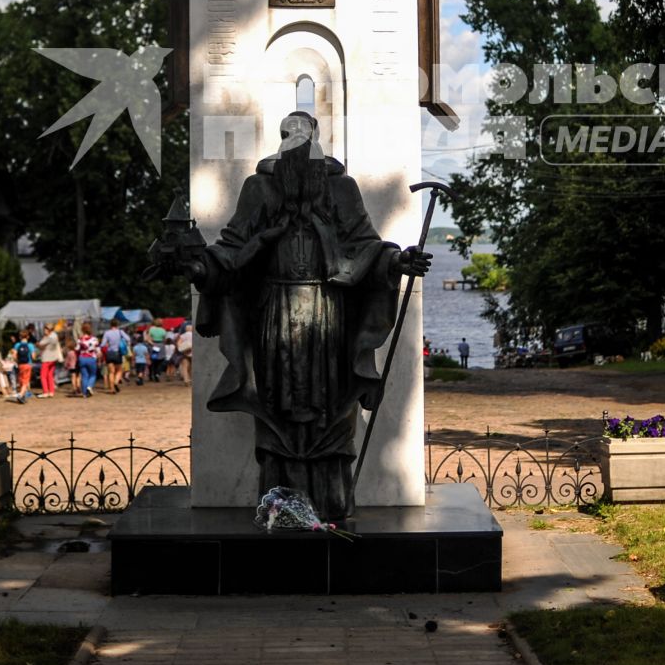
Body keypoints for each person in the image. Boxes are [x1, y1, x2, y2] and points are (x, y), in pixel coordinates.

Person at [158, 109, 430, 521]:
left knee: (331, 402)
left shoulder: (341, 189)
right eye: (290, 134)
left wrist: (396, 262)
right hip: (275, 316)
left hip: (329, 316)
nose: (299, 143)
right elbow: (232, 246)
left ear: (318, 138)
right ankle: (279, 506)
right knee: (277, 404)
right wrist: (200, 268)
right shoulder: (259, 189)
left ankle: (332, 502)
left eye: (305, 134)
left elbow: (365, 244)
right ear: (280, 138)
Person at [38, 320, 63, 398]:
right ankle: (51, 392)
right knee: (50, 375)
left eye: (45, 329)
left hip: (46, 358)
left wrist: (39, 342)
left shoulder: (48, 337)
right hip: (53, 358)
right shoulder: (55, 335)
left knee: (43, 376)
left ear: (49, 330)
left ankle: (45, 392)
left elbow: (40, 344)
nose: (44, 331)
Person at [100, 321, 127, 393]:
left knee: (111, 372)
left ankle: (112, 389)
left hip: (109, 353)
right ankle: (116, 382)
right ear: (117, 324)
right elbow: (128, 339)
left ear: (110, 325)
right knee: (119, 370)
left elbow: (102, 344)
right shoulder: (120, 332)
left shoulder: (107, 333)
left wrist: (108, 344)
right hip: (117, 353)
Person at [13, 326, 37, 400]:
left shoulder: (17, 345)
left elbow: (14, 356)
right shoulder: (30, 345)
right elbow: (33, 357)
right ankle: (21, 395)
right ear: (28, 336)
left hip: (20, 365)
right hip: (28, 364)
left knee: (21, 380)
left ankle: (23, 395)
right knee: (26, 381)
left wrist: (18, 361)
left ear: (20, 337)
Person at [75, 329, 99, 397]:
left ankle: (84, 393)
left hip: (82, 358)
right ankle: (89, 386)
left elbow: (76, 349)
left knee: (84, 376)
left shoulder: (80, 339)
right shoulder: (95, 339)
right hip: (91, 358)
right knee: (93, 375)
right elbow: (98, 350)